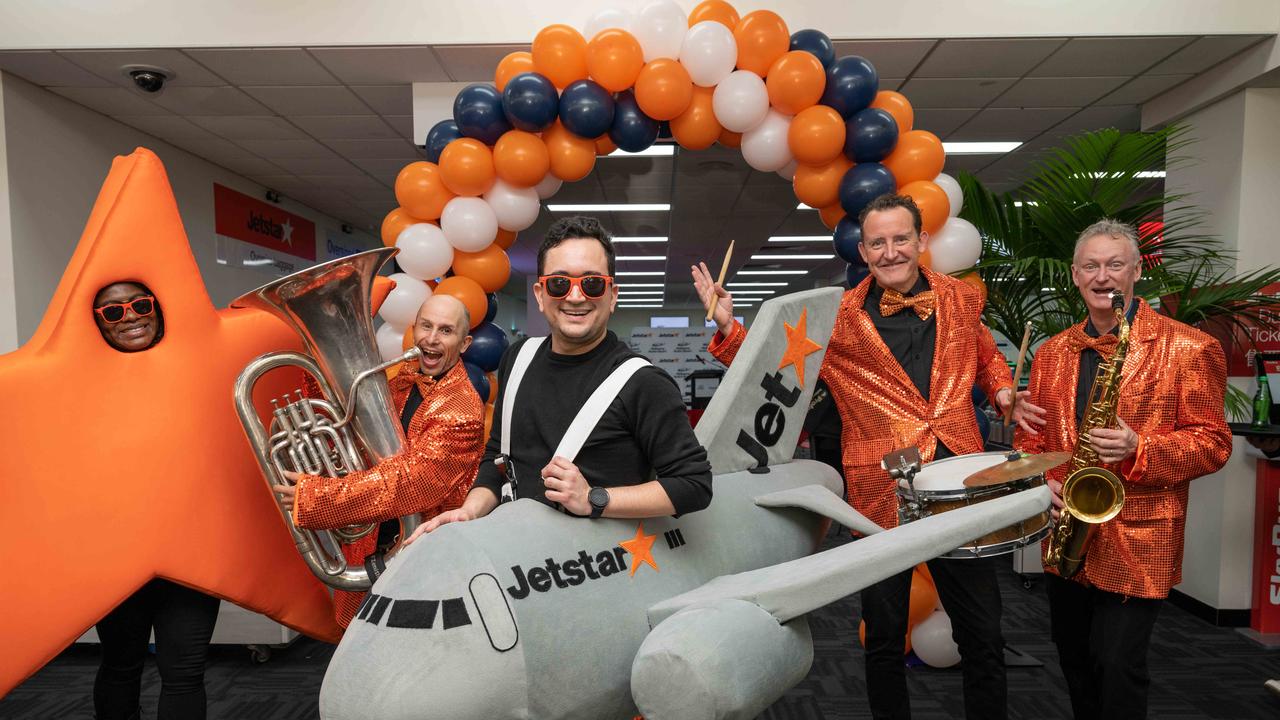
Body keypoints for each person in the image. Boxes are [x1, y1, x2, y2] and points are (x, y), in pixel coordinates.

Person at [694, 193, 1040, 720]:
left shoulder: (962, 299)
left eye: (901, 239)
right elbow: (772, 369)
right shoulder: (837, 316)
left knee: (983, 630)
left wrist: (1001, 391)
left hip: (958, 481)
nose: (890, 251)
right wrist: (727, 326)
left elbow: (986, 355)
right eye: (877, 242)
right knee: (882, 635)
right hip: (882, 488)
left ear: (922, 241)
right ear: (863, 249)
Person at [1016, 219, 1232, 720]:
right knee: (1074, 660)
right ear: (1074, 274)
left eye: (1115, 264)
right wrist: (1039, 478)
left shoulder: (1189, 348)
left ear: (1136, 270)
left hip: (1140, 538)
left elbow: (1213, 444)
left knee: (1118, 666)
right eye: (1091, 265)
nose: (1103, 276)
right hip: (1066, 529)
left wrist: (1139, 446)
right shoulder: (1051, 353)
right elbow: (1033, 438)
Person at [407, 215, 712, 541]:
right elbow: (497, 457)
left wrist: (595, 498)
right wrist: (470, 511)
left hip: (596, 572)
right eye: (559, 283)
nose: (576, 297)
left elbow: (694, 485)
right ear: (540, 294)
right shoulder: (517, 358)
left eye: (592, 283)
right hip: (518, 563)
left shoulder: (643, 382)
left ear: (612, 296)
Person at [275, 294, 485, 627]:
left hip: (423, 562)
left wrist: (319, 497)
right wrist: (319, 369)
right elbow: (354, 443)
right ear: (414, 329)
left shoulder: (462, 409)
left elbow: (410, 482)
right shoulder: (401, 381)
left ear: (464, 343)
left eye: (446, 331)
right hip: (373, 549)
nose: (431, 338)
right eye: (426, 326)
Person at [91, 281, 221, 720]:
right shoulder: (80, 388)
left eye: (140, 304)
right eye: (112, 312)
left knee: (185, 673)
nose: (129, 316)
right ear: (98, 325)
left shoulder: (199, 371)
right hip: (115, 556)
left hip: (191, 555)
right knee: (120, 666)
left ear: (158, 307)